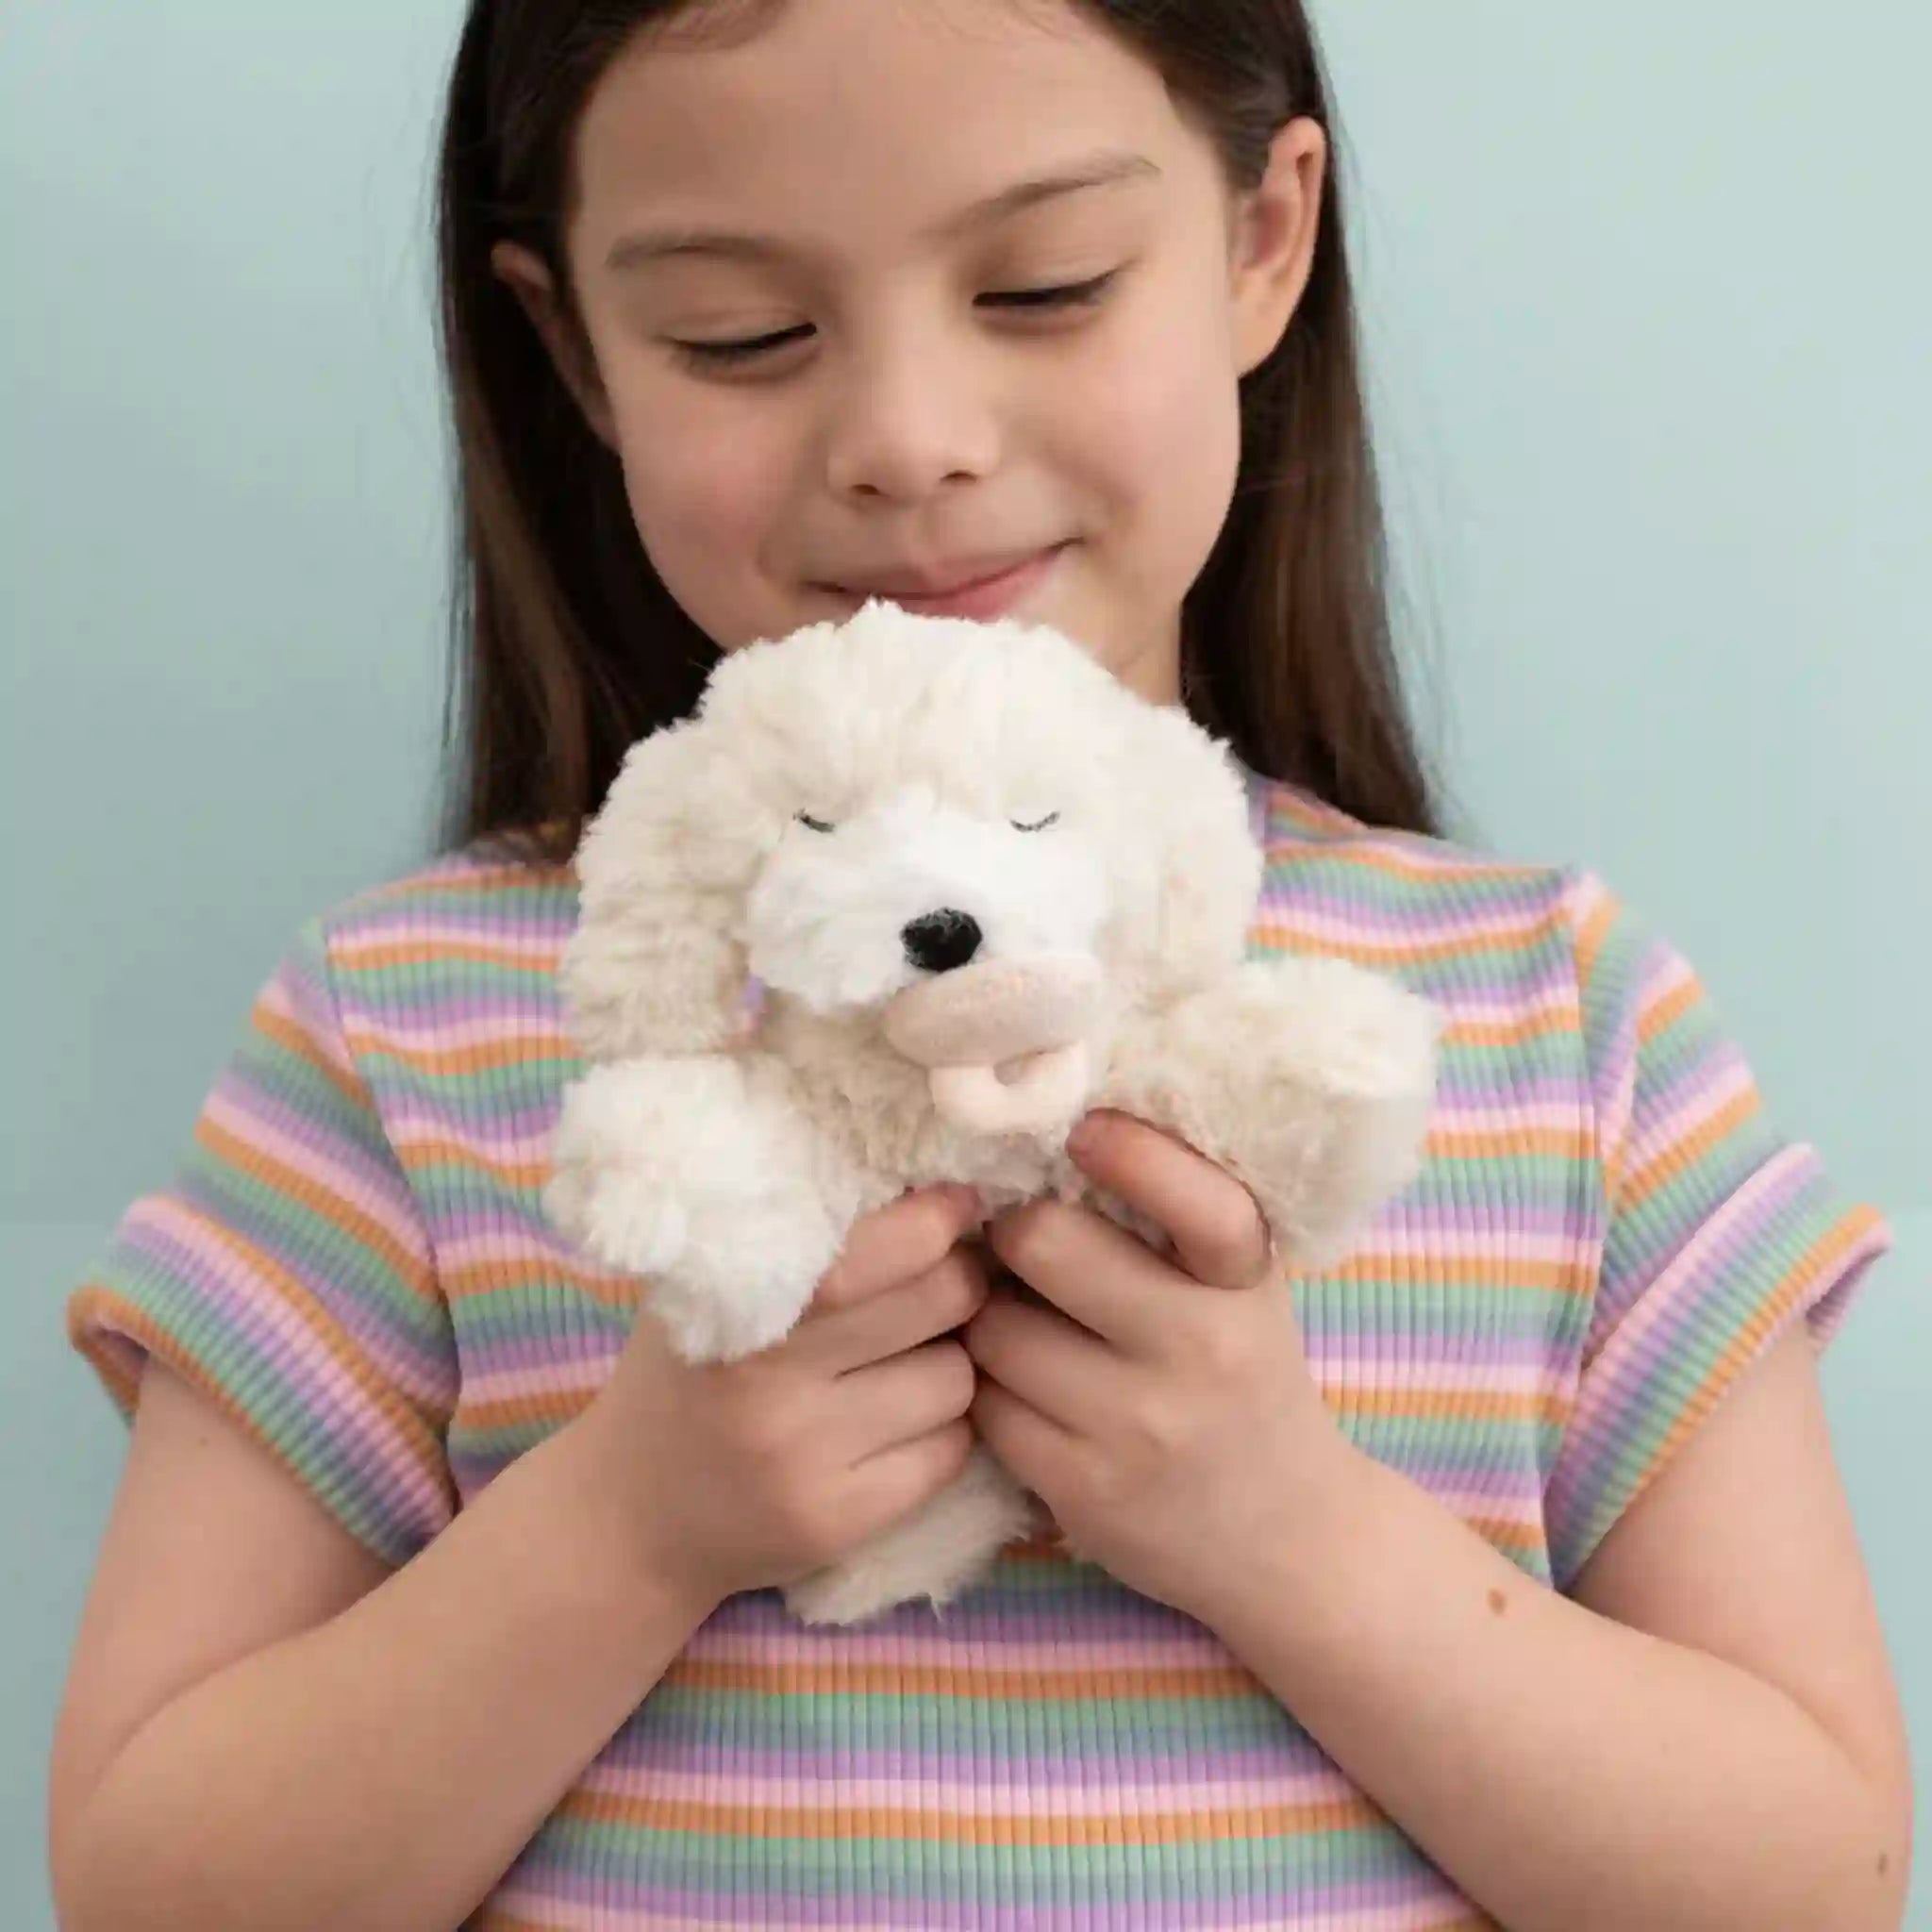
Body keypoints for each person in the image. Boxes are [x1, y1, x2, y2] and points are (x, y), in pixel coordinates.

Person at [46, 2, 1913, 1926]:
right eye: (742, 336)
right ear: (573, 351)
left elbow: (1814, 1880)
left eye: (1043, 284)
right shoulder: (408, 1027)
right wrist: (632, 1524)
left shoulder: (1547, 1016)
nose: (907, 445)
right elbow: (155, 1883)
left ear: (1264, 241)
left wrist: (1288, 1532)